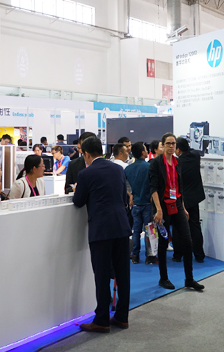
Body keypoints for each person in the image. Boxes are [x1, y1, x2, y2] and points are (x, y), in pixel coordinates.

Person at [73, 136, 131, 333]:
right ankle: (122, 317)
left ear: (87, 154)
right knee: (122, 274)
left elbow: (78, 201)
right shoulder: (117, 169)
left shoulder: (85, 174)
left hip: (101, 230)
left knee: (102, 275)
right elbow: (123, 197)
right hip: (121, 226)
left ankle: (102, 320)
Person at [149, 133, 205, 290]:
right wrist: (158, 209)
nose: (171, 146)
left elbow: (180, 186)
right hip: (163, 205)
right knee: (163, 242)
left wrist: (184, 206)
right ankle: (163, 278)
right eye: (168, 143)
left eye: (173, 143)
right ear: (163, 145)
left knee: (187, 240)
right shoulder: (156, 163)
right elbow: (153, 188)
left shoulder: (178, 162)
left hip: (177, 203)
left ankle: (189, 279)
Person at [176, 137, 206, 263]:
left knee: (179, 228)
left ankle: (178, 255)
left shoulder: (177, 163)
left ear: (178, 149)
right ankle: (199, 255)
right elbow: (192, 150)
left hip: (182, 199)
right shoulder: (195, 156)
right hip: (194, 198)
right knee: (195, 226)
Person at [125, 142, 154, 264]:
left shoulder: (128, 169)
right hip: (148, 203)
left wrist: (130, 195)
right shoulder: (149, 167)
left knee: (136, 231)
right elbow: (154, 185)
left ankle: (135, 255)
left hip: (135, 204)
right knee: (150, 230)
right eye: (146, 149)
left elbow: (124, 184)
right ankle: (150, 256)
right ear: (143, 152)